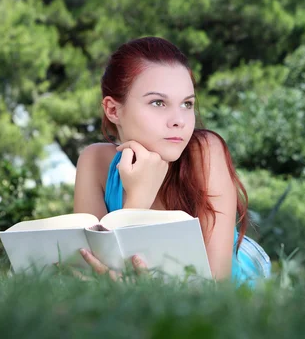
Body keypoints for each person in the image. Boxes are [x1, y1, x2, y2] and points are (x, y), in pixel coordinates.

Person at [73, 36, 270, 285]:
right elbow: (96, 273)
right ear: (113, 110)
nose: (179, 120)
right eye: (158, 102)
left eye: (187, 104)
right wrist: (138, 200)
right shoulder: (95, 162)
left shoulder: (206, 152)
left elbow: (216, 287)